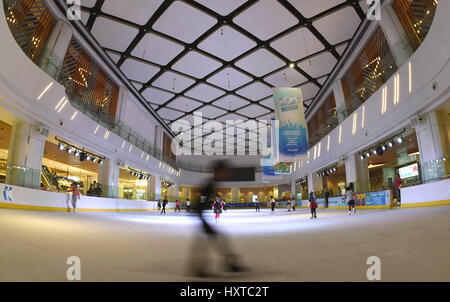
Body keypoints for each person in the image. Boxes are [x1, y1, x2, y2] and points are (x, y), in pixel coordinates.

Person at [189, 160, 246, 277]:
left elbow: (201, 197)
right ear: (219, 171)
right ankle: (204, 267)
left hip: (200, 216)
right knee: (212, 240)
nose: (227, 174)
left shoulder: (212, 183)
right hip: (200, 216)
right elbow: (200, 198)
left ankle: (224, 264)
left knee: (210, 241)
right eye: (225, 171)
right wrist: (201, 211)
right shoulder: (211, 183)